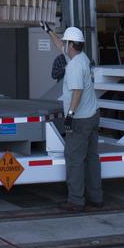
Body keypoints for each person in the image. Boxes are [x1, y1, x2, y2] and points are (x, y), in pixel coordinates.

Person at [46, 24, 102, 212]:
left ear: (71, 44)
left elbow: (77, 91)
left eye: (65, 43)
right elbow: (59, 45)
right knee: (92, 158)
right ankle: (96, 197)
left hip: (81, 120)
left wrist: (69, 115)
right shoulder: (83, 59)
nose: (63, 45)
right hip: (93, 116)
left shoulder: (73, 67)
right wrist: (49, 31)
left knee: (74, 159)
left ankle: (76, 201)